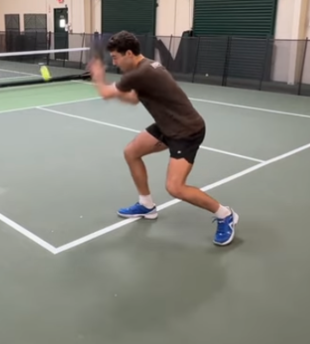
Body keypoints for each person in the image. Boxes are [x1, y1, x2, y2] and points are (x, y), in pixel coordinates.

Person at [88, 31, 238, 246]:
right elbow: (133, 99)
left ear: (129, 53)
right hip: (167, 125)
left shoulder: (139, 74)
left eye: (115, 57)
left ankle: (225, 214)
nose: (114, 62)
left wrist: (98, 75)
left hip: (186, 131)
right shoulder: (147, 66)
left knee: (175, 188)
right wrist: (116, 90)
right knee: (131, 152)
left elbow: (104, 93)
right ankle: (146, 205)